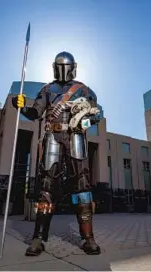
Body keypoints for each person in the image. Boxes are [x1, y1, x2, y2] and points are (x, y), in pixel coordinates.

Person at [12, 51, 102, 256]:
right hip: (53, 136)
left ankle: (88, 238)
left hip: (75, 137)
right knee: (46, 188)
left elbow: (97, 115)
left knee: (82, 187)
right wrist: (21, 107)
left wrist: (83, 123)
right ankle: (38, 237)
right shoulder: (47, 89)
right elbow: (36, 113)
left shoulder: (83, 90)